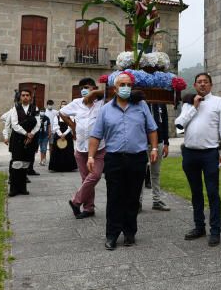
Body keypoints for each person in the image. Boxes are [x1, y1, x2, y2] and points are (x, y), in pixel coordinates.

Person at [88, 71, 158, 250]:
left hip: (137, 158)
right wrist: (90, 156)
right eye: (122, 85)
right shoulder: (105, 110)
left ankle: (129, 233)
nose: (126, 88)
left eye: (128, 85)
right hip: (114, 159)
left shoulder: (141, 106)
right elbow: (96, 135)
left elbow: (152, 129)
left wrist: (155, 148)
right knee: (114, 197)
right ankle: (112, 235)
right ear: (115, 88)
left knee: (133, 197)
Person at [175, 72, 221, 246]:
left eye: (205, 82)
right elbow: (179, 125)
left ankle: (215, 231)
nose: (202, 85)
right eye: (199, 82)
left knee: (213, 192)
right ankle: (199, 226)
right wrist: (193, 106)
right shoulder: (188, 103)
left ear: (211, 85)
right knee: (195, 192)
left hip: (209, 153)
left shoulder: (218, 102)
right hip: (190, 153)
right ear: (195, 85)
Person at [60, 78, 105, 219]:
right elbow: (62, 112)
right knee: (86, 179)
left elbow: (108, 92)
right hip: (80, 148)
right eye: (81, 88)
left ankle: (76, 201)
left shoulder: (102, 103)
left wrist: (95, 93)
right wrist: (72, 126)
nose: (83, 90)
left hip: (98, 148)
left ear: (94, 88)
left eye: (86, 87)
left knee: (95, 175)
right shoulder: (76, 103)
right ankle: (89, 208)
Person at [7, 88, 41, 196]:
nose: (25, 97)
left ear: (30, 97)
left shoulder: (35, 108)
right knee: (16, 163)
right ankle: (14, 189)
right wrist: (26, 133)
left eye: (27, 95)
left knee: (25, 163)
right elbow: (15, 124)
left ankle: (22, 188)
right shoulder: (15, 108)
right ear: (20, 97)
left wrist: (32, 134)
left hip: (30, 139)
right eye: (23, 95)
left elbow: (38, 124)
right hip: (17, 139)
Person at [144, 101, 170, 211]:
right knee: (140, 173)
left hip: (158, 141)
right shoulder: (140, 102)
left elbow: (165, 121)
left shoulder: (160, 102)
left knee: (156, 172)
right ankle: (138, 202)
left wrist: (166, 143)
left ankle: (156, 200)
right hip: (142, 142)